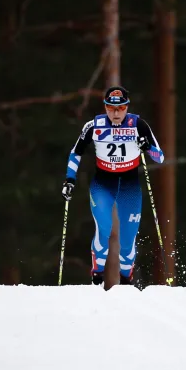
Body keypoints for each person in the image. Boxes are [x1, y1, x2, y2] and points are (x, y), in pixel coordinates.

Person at [62, 86, 164, 286]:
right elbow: (76, 152)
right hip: (103, 184)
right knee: (104, 228)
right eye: (111, 108)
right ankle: (97, 277)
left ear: (127, 107)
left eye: (120, 108)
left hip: (129, 186)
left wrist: (147, 147)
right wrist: (69, 179)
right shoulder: (94, 125)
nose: (116, 113)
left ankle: (126, 281)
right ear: (105, 107)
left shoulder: (139, 125)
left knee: (127, 241)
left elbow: (159, 157)